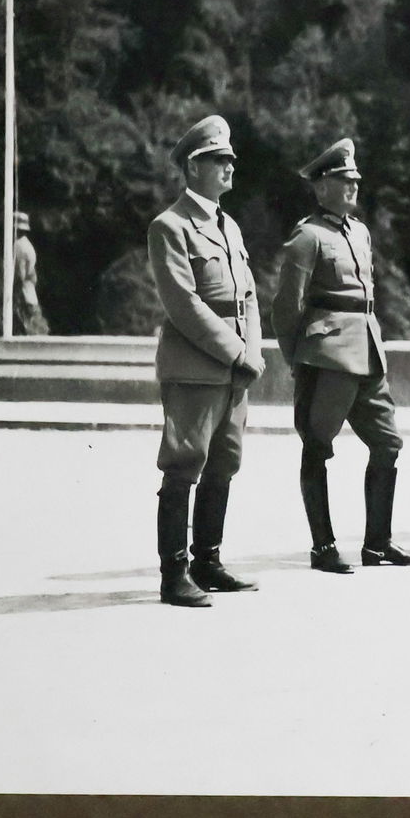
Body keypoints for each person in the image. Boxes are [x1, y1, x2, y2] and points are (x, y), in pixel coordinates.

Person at [273, 137, 410, 575]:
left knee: (388, 443)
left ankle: (378, 543)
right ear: (321, 187)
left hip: (368, 351)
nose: (352, 186)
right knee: (317, 446)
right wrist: (297, 357)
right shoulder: (308, 237)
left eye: (355, 179)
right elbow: (286, 307)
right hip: (328, 356)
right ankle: (323, 547)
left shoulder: (359, 232)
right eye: (343, 180)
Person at [146, 115, 265, 608]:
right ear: (193, 167)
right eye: (219, 159)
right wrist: (236, 352)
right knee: (184, 465)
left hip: (235, 369)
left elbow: (248, 296)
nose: (229, 167)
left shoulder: (228, 226)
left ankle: (207, 562)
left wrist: (252, 351)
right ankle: (174, 575)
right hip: (195, 367)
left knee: (224, 464)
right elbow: (184, 305)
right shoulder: (170, 226)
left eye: (231, 159)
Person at [10, 211, 50, 335]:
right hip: (29, 290)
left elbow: (20, 275)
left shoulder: (18, 246)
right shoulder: (27, 244)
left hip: (22, 294)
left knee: (27, 326)